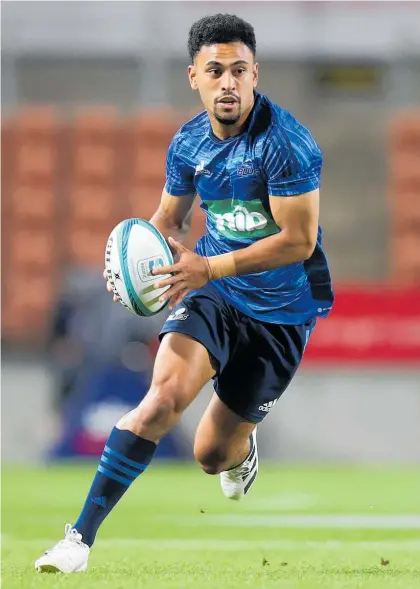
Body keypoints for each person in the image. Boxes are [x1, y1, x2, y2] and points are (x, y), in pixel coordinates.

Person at [35, 13, 334, 573]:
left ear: (255, 74)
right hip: (214, 295)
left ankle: (239, 454)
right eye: (215, 70)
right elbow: (169, 221)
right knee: (161, 400)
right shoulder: (188, 143)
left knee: (209, 454)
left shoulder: (287, 144)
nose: (228, 83)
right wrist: (138, 264)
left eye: (239, 71)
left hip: (281, 312)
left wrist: (209, 267)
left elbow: (298, 241)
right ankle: (78, 540)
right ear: (193, 75)